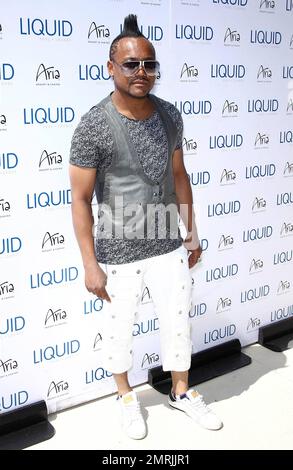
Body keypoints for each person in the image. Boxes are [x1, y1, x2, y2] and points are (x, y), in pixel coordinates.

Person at [69, 14, 223, 439]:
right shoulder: (93, 125)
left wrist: (190, 232)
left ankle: (180, 391)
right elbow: (80, 199)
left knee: (177, 322)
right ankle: (125, 396)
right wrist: (90, 264)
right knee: (119, 331)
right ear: (111, 67)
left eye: (149, 64)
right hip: (118, 252)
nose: (142, 72)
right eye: (132, 64)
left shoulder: (169, 114)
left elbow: (180, 177)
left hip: (168, 243)